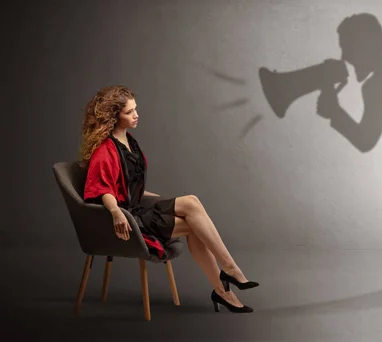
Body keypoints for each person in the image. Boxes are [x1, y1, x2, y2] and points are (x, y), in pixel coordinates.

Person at [79, 85, 258, 313]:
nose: (136, 114)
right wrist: (115, 213)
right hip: (127, 219)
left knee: (191, 201)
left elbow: (129, 186)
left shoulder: (129, 142)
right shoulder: (105, 150)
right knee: (195, 227)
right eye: (129, 112)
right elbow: (105, 190)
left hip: (136, 207)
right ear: (114, 116)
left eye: (136, 108)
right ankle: (225, 285)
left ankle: (228, 274)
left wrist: (164, 202)